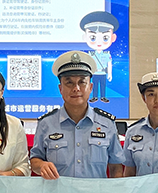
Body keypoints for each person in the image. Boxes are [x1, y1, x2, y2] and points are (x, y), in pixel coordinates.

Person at [30, 51, 125, 179]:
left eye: (82, 82)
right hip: (58, 192)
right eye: (69, 83)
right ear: (60, 88)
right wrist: (41, 165)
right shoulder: (46, 123)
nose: (76, 88)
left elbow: (116, 166)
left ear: (90, 87)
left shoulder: (107, 123)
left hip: (96, 192)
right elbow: (35, 159)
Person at [79, 10, 118, 103]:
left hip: (103, 73)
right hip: (94, 73)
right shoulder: (91, 54)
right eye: (93, 37)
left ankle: (103, 97)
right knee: (94, 85)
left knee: (103, 85)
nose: (99, 42)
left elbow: (109, 64)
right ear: (85, 37)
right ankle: (95, 97)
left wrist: (110, 74)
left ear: (113, 38)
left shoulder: (107, 54)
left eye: (105, 38)